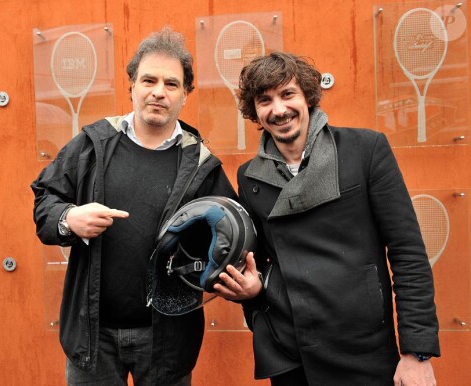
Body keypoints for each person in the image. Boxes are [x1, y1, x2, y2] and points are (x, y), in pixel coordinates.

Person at [213, 51, 440, 386]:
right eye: (265, 100)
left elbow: (408, 253)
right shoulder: (250, 177)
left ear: (307, 96)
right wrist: (255, 291)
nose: (279, 110)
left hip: (364, 350)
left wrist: (416, 353)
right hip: (291, 353)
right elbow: (260, 261)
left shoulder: (365, 150)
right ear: (255, 112)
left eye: (287, 94)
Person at [31, 27, 236, 386]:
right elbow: (45, 200)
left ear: (186, 93)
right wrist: (68, 218)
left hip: (167, 341)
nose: (159, 92)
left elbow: (231, 236)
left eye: (171, 84)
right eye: (149, 80)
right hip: (93, 338)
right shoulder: (91, 145)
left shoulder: (202, 165)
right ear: (132, 86)